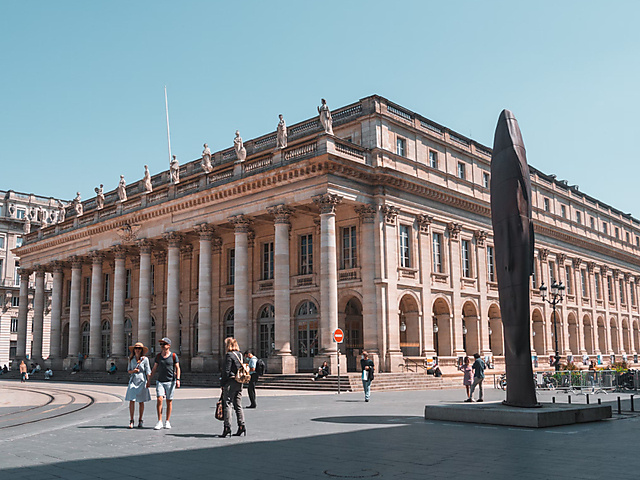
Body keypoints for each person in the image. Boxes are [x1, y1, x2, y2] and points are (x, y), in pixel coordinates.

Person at [147, 337, 180, 430]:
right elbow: (154, 369)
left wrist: (178, 379)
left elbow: (178, 368)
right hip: (160, 381)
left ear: (169, 346)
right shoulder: (158, 356)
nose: (162, 346)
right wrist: (149, 380)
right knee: (159, 399)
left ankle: (167, 421)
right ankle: (159, 421)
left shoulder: (173, 356)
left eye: (164, 344)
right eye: (161, 344)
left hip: (171, 381)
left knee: (169, 401)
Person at [220, 337, 246, 437]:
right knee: (238, 405)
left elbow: (226, 371)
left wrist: (222, 383)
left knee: (227, 404)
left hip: (230, 382)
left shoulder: (229, 355)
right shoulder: (240, 355)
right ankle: (241, 426)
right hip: (239, 382)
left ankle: (227, 427)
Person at [125, 342, 152, 429]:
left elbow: (148, 371)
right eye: (136, 348)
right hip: (133, 380)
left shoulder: (145, 359)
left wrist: (148, 381)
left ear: (142, 350)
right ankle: (131, 420)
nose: (137, 350)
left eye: (139, 348)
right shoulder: (131, 359)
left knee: (141, 401)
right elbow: (128, 370)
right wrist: (134, 371)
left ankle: (140, 420)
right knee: (131, 400)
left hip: (142, 381)